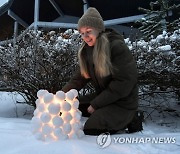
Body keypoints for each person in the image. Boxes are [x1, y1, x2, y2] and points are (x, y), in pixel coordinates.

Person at [62, 7, 143, 135]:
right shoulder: (87, 50)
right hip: (105, 97)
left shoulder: (116, 47)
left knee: (92, 127)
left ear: (99, 30)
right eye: (82, 33)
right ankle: (104, 111)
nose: (85, 37)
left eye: (88, 31)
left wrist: (96, 104)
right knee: (71, 106)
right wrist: (62, 96)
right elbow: (80, 78)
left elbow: (123, 82)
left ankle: (132, 117)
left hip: (122, 101)